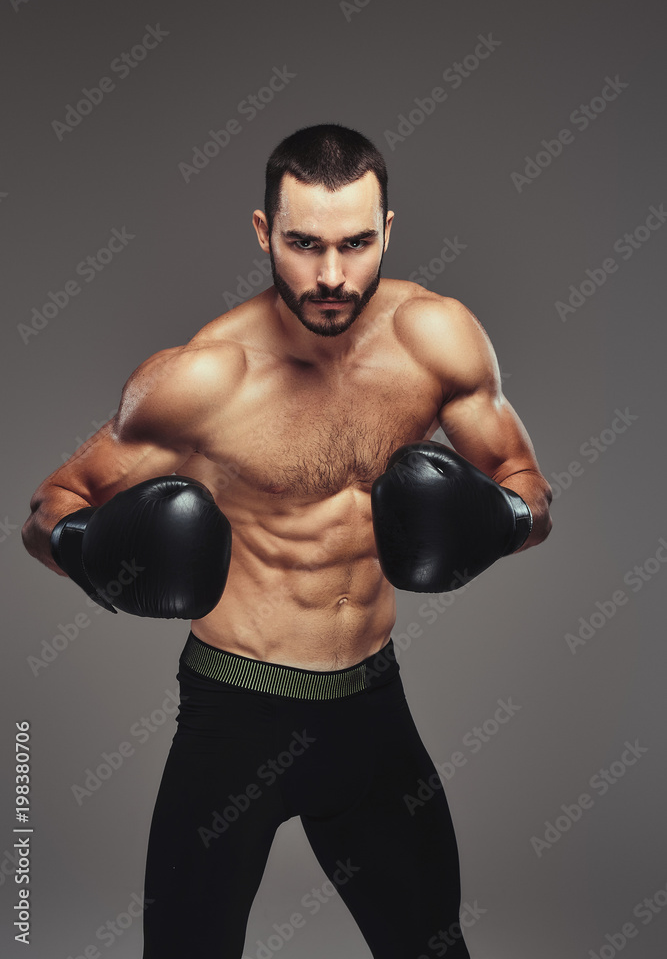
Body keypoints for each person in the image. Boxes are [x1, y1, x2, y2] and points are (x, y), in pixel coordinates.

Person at [22, 123, 553, 958]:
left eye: (353, 244)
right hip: (235, 720)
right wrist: (95, 554)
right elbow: (51, 507)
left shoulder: (436, 338)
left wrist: (501, 522)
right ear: (265, 233)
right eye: (304, 245)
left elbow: (530, 489)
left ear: (386, 231)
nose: (332, 276)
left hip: (374, 714)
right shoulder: (206, 375)